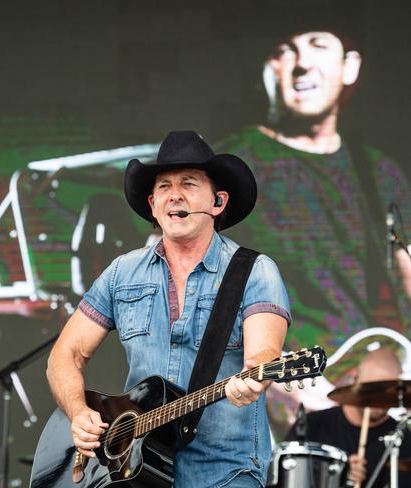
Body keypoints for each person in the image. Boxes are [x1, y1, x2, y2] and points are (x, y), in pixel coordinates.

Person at [47, 130, 291, 487]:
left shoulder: (255, 270)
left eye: (189, 183)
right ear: (152, 205)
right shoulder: (122, 273)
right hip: (136, 472)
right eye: (164, 186)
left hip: (225, 471)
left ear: (218, 202)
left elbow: (264, 355)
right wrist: (79, 412)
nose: (174, 194)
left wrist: (255, 378)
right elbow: (63, 356)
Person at [216, 26, 411, 352]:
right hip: (278, 379)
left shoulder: (377, 171)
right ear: (269, 69)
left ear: (350, 67)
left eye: (318, 45)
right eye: (285, 50)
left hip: (371, 376)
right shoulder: (232, 165)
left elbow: (407, 272)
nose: (302, 64)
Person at [285, 348, 411, 488]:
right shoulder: (313, 425)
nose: (378, 398)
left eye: (386, 391)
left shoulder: (403, 438)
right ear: (355, 379)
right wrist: (338, 477)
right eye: (372, 389)